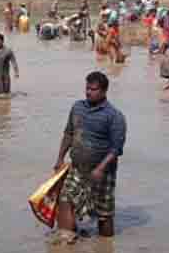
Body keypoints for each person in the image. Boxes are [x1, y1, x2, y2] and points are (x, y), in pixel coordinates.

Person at [54, 72, 127, 239]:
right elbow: (68, 133)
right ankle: (66, 240)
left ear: (104, 91)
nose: (88, 92)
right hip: (77, 168)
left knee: (103, 213)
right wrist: (59, 159)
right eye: (87, 88)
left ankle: (106, 248)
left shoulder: (114, 116)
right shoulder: (77, 107)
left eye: (93, 89)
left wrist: (100, 169)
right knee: (65, 200)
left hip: (102, 172)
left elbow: (116, 148)